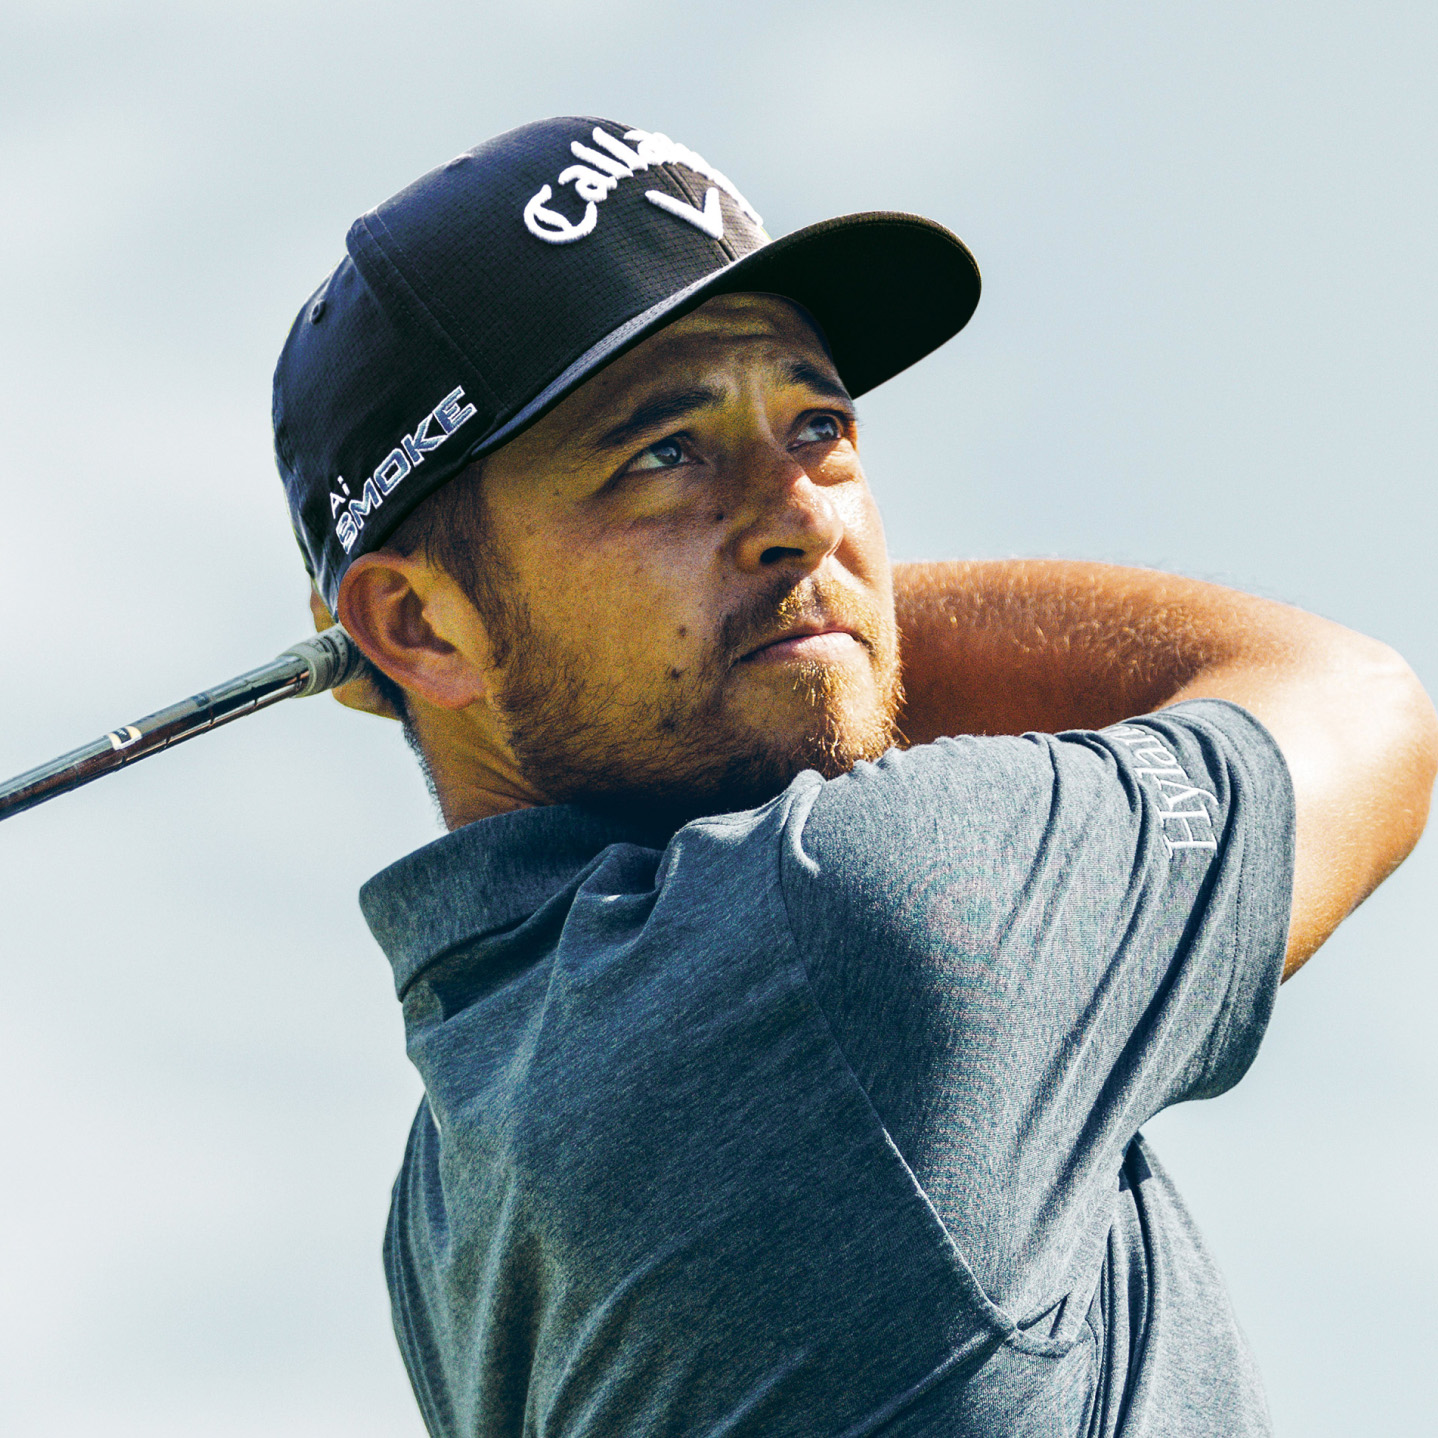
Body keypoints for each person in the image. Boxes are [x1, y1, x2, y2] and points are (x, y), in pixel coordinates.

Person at [272, 117, 1436, 1437]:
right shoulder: (848, 910)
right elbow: (1353, 700)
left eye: (817, 423)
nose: (808, 514)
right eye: (665, 453)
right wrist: (828, 628)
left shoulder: (445, 1186)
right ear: (417, 625)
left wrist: (798, 627)